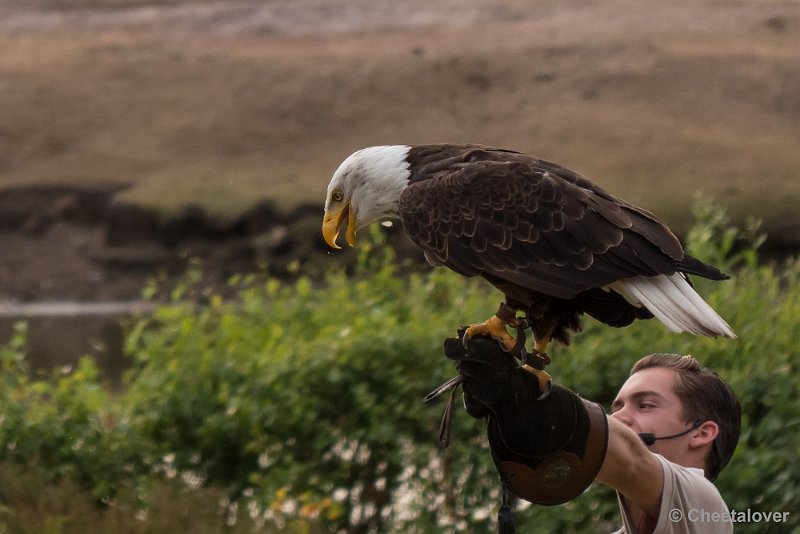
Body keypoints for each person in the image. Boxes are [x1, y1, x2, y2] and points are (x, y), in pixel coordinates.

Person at [442, 332, 741, 534]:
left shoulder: (705, 512)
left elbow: (630, 459)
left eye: (645, 405)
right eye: (617, 405)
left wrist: (531, 402)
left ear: (702, 433)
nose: (620, 416)